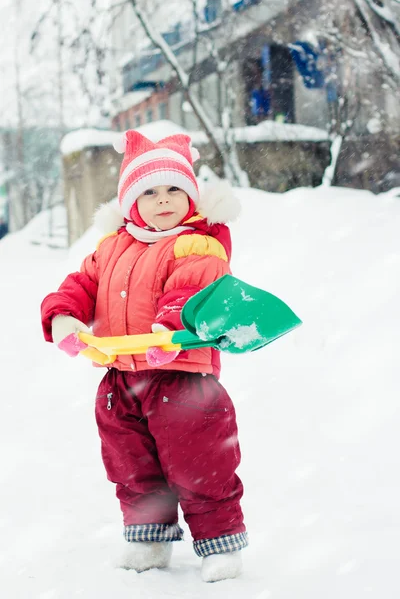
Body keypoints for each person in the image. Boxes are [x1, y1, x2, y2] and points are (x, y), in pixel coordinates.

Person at [41, 131, 248, 582]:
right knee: (132, 465)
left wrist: (170, 326)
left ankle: (219, 543)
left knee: (201, 465)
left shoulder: (198, 244)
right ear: (131, 202)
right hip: (121, 381)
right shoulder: (111, 248)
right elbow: (80, 286)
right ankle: (149, 538)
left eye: (174, 188)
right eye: (149, 192)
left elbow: (195, 288)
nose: (163, 200)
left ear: (191, 195)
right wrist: (63, 316)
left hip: (182, 379)